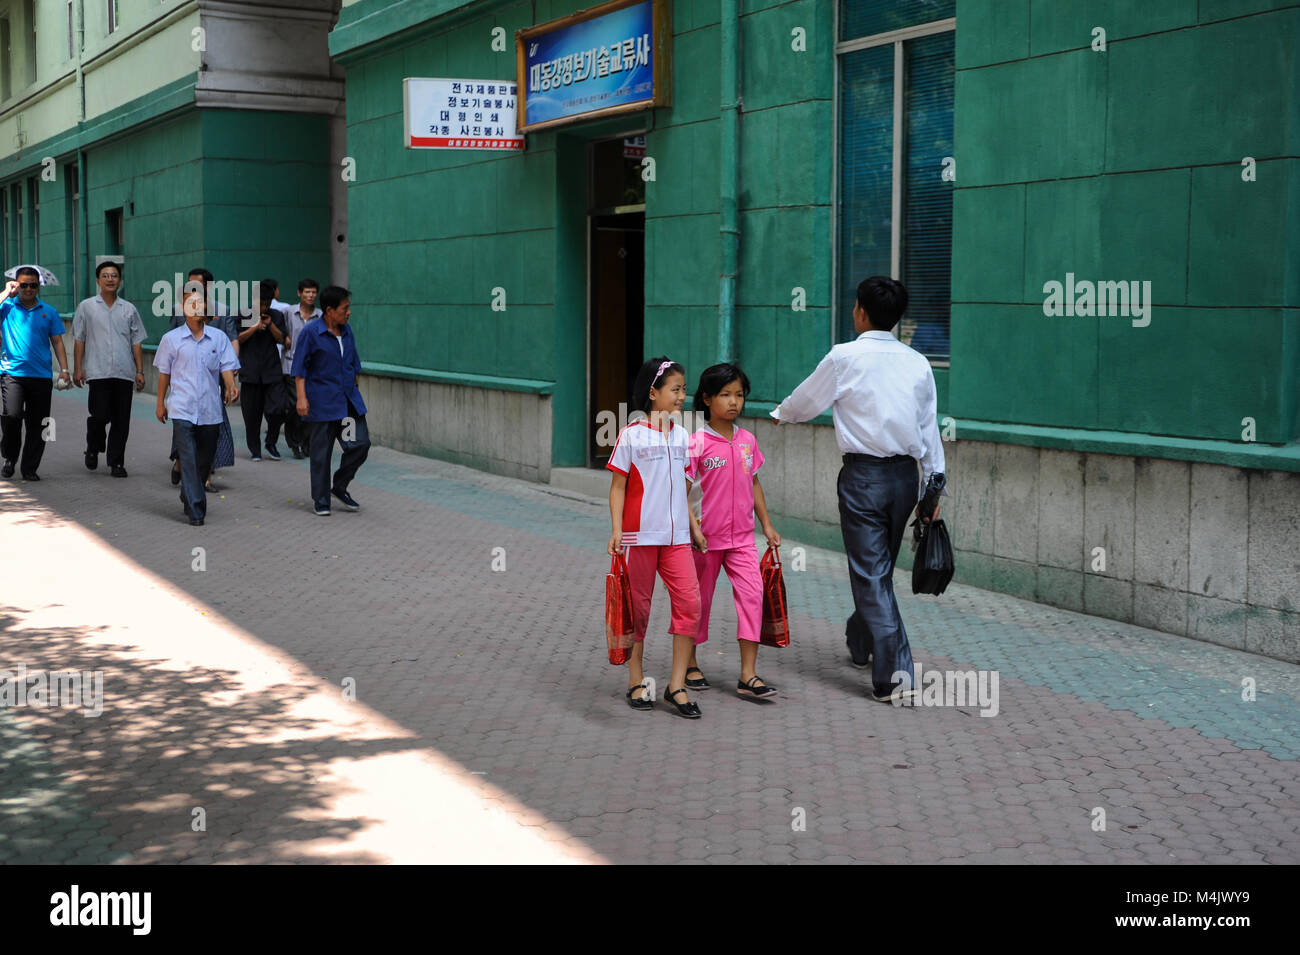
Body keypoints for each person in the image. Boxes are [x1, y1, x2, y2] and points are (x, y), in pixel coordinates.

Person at [771, 276, 945, 703]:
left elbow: (806, 401)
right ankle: (859, 635)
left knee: (871, 573)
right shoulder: (918, 362)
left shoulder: (844, 357)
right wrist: (933, 489)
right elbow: (929, 430)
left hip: (864, 479)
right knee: (877, 571)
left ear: (860, 312)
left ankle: (893, 678)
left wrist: (780, 414)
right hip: (906, 481)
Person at [606, 357, 706, 719]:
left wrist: (693, 526)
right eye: (675, 389)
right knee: (640, 610)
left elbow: (683, 489)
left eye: (683, 389)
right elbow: (618, 488)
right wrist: (616, 529)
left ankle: (676, 686)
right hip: (640, 537)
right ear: (654, 393)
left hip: (677, 537)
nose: (682, 396)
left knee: (690, 606)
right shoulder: (631, 434)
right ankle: (636, 679)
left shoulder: (683, 436)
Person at [685, 363, 780, 699]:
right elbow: (682, 491)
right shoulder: (696, 442)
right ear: (707, 399)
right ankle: (690, 662)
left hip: (742, 539)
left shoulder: (748, 441)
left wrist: (767, 525)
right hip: (704, 542)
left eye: (738, 395)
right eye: (725, 395)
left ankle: (748, 674)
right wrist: (693, 528)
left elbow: (754, 483)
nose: (733, 402)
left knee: (753, 597)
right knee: (698, 601)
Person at [154, 292, 240, 525]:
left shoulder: (218, 338)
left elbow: (227, 366)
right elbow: (164, 373)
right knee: (189, 459)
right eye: (191, 304)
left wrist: (231, 385)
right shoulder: (171, 339)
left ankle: (189, 493)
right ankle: (196, 510)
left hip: (210, 409)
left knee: (205, 460)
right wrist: (160, 402)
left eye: (200, 304)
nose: (196, 308)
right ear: (183, 309)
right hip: (182, 408)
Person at [291, 285, 370, 516]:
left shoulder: (347, 332)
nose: (349, 312)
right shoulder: (311, 333)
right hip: (322, 404)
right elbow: (299, 369)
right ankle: (321, 499)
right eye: (345, 308)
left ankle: (340, 485)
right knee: (321, 454)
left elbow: (353, 363)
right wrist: (302, 398)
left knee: (359, 445)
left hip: (347, 404)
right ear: (329, 310)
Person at [72, 261, 146, 477]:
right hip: (98, 371)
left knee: (121, 420)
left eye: (114, 276)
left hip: (124, 372)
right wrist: (78, 368)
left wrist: (140, 370)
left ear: (120, 281)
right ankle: (93, 446)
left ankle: (116, 462)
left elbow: (137, 341)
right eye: (105, 276)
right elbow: (79, 339)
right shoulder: (86, 306)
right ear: (98, 281)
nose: (110, 279)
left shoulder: (129, 309)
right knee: (100, 415)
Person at [0, 268, 71, 480]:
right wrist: (6, 291)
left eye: (33, 285)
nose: (29, 289)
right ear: (16, 285)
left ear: (38, 287)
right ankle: (10, 457)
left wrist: (65, 371)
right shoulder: (6, 306)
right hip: (12, 373)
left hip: (41, 376)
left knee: (38, 423)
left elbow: (57, 342)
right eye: (24, 284)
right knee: (11, 416)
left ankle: (29, 467)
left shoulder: (48, 311)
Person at [169, 269, 237, 489]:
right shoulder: (178, 310)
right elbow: (171, 345)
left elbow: (231, 340)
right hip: (185, 381)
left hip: (211, 379)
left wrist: (230, 377)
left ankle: (204, 476)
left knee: (211, 427)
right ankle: (181, 461)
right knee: (185, 426)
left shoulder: (222, 311)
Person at [237, 280, 288, 461]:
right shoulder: (243, 314)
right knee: (252, 415)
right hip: (250, 372)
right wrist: (255, 327)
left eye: (267, 303)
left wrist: (270, 325)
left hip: (272, 371)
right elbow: (237, 339)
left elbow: (283, 339)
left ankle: (271, 442)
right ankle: (255, 450)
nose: (264, 307)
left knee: (280, 408)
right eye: (261, 303)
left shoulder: (277, 316)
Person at [278, 278, 321, 458]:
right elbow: (281, 333)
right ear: (299, 293)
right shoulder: (288, 313)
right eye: (307, 292)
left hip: (313, 368)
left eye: (313, 292)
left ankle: (306, 443)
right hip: (291, 366)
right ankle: (294, 441)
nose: (310, 296)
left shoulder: (320, 315)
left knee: (311, 407)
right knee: (296, 406)